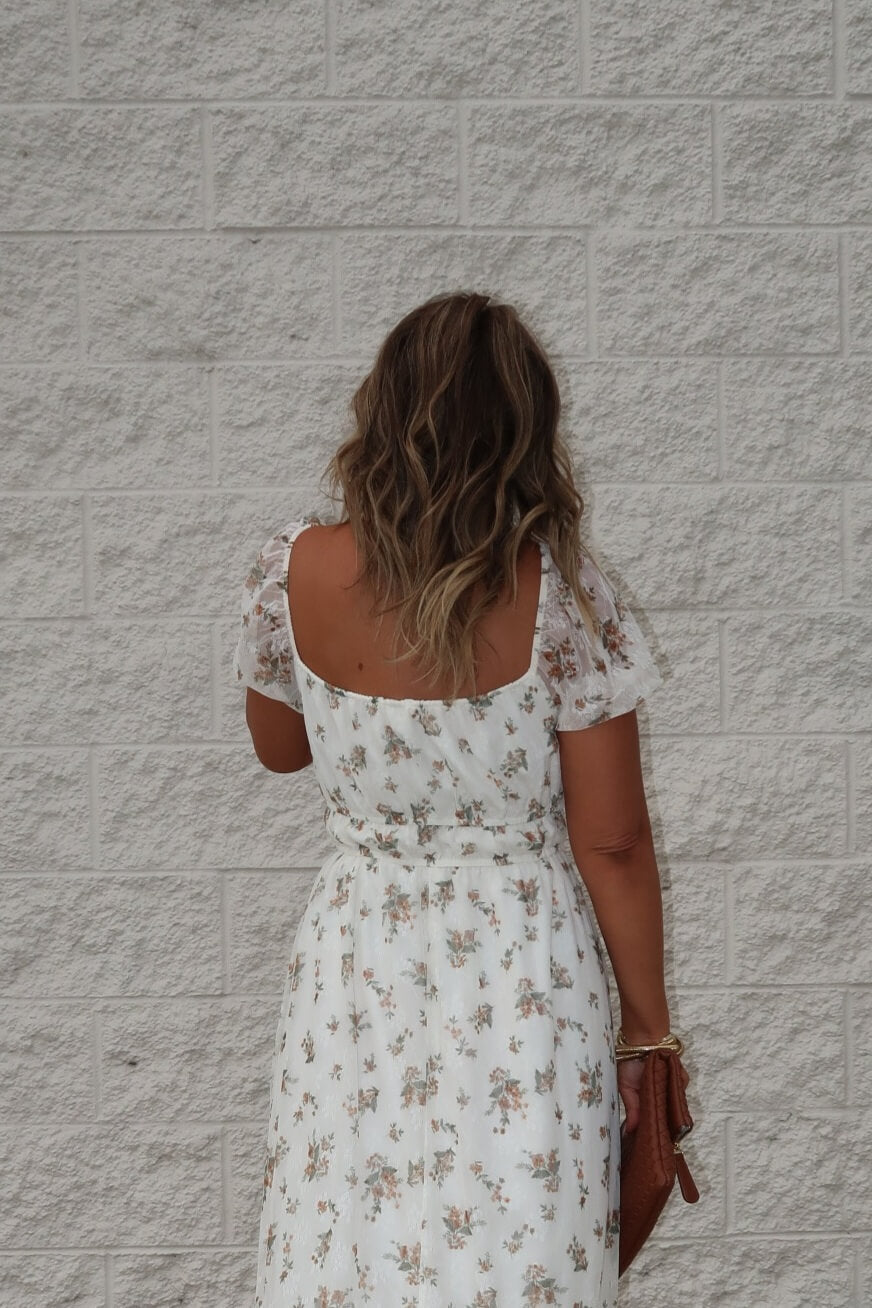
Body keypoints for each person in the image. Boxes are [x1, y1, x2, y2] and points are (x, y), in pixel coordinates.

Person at [232, 290, 691, 1307]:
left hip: (357, 954)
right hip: (520, 952)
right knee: (519, 1236)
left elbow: (278, 749)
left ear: (380, 412)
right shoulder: (562, 591)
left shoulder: (292, 567)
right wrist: (648, 1033)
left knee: (344, 1222)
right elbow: (610, 842)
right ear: (527, 427)